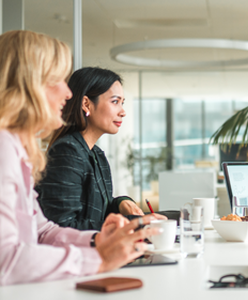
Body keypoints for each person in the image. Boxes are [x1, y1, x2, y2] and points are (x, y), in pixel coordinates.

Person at [0, 30, 159, 285]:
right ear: (26, 85)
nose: (67, 92)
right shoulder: (5, 149)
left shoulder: (18, 151)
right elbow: (5, 260)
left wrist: (99, 240)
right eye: (56, 79)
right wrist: (99, 259)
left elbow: (42, 230)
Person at [35, 67, 164, 230]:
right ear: (86, 104)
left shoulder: (96, 154)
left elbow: (97, 213)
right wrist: (133, 223)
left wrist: (120, 203)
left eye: (122, 103)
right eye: (115, 101)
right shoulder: (67, 151)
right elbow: (63, 226)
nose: (123, 112)